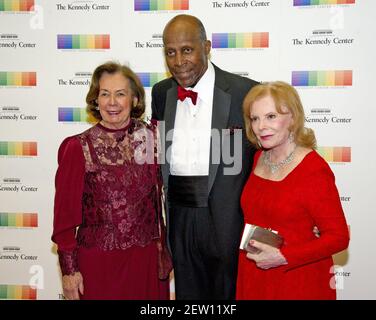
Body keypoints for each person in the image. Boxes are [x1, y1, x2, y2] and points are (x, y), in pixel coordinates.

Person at [151, 14, 258, 299]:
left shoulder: (244, 91)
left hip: (227, 218)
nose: (178, 61)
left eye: (187, 50)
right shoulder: (161, 93)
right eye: (170, 52)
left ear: (207, 47)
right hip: (179, 215)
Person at [52, 61, 172, 300]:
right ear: (96, 100)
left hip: (146, 261)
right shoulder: (77, 147)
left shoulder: (152, 139)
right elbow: (64, 219)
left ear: (135, 99)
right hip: (98, 265)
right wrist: (69, 272)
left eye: (120, 94)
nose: (112, 102)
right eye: (104, 94)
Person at [236, 81, 349, 300]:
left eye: (271, 116)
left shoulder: (313, 169)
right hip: (254, 275)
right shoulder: (258, 158)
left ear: (293, 119)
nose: (261, 126)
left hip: (297, 279)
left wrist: (283, 256)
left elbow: (339, 237)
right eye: (255, 118)